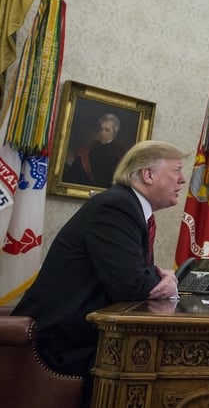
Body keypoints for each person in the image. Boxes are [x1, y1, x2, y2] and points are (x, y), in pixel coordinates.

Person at [11, 140, 188, 407]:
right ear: (148, 175)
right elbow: (132, 285)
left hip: (82, 335)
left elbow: (134, 275)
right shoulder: (117, 206)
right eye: (176, 171)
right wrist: (165, 280)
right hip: (60, 344)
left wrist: (153, 277)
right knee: (158, 366)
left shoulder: (128, 206)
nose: (182, 180)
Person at [64, 113, 128, 188]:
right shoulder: (90, 147)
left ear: (114, 133)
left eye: (107, 130)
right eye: (101, 129)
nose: (102, 133)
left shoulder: (120, 152)